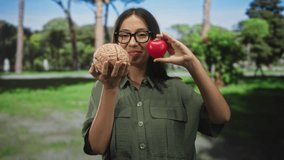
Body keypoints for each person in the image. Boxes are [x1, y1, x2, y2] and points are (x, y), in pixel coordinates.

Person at [82, 7, 231, 160]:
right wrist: (110, 89)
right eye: (125, 35)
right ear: (116, 40)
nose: (132, 43)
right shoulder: (102, 88)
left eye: (141, 34)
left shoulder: (177, 89)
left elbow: (221, 117)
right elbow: (96, 147)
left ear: (154, 39)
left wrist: (192, 63)